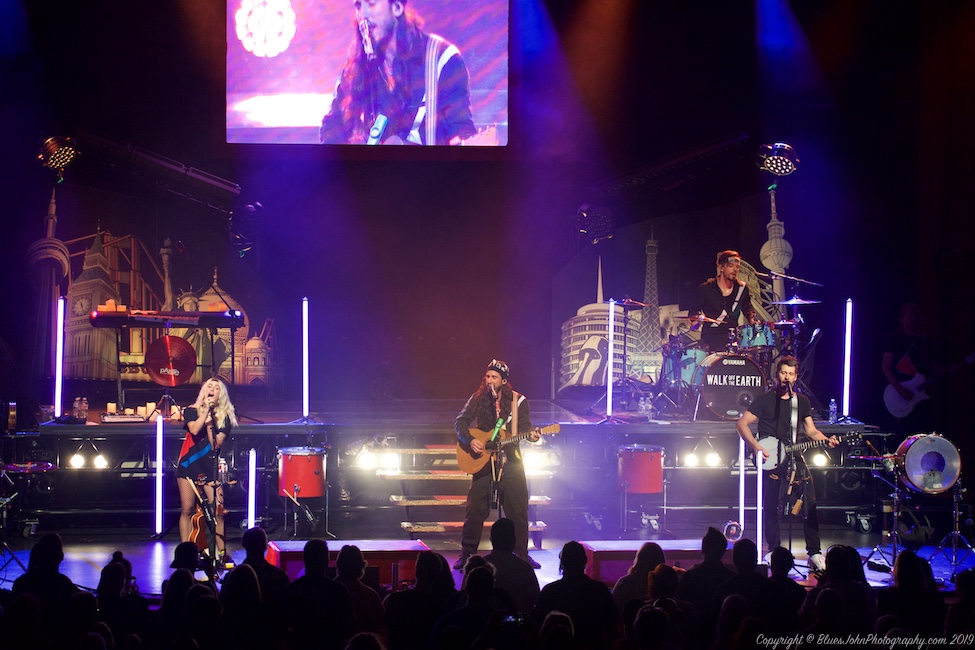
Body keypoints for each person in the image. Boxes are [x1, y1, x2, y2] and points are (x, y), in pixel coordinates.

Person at [319, 0, 476, 145]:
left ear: (397, 7)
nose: (363, 15)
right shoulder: (358, 65)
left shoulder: (442, 59)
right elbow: (332, 125)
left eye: (371, 3)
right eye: (358, 5)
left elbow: (462, 130)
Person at [735, 356, 838, 573]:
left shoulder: (801, 402)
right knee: (772, 505)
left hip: (794, 456)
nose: (786, 378)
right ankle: (773, 549)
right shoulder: (764, 401)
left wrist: (826, 438)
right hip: (772, 459)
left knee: (809, 503)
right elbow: (742, 424)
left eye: (790, 374)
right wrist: (755, 446)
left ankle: (814, 553)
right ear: (776, 375)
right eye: (783, 373)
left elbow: (811, 430)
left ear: (796, 377)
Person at [454, 359, 540, 570]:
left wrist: (534, 435)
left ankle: (521, 554)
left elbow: (526, 428)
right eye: (488, 376)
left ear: (504, 380)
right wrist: (470, 440)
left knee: (519, 509)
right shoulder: (478, 398)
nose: (490, 380)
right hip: (484, 462)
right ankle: (467, 553)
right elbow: (460, 422)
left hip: (511, 461)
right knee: (474, 509)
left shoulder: (518, 402)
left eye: (494, 377)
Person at [175, 377, 238, 566]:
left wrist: (211, 425)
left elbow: (215, 445)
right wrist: (205, 414)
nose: (212, 389)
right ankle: (185, 553)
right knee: (187, 509)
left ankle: (221, 552)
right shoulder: (191, 411)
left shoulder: (225, 417)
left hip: (210, 467)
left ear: (220, 395)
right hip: (188, 464)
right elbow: (194, 430)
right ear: (204, 391)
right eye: (209, 386)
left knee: (217, 511)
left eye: (216, 388)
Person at [693, 250, 757, 353]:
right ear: (721, 267)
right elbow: (694, 310)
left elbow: (747, 308)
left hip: (733, 338)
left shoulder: (742, 288)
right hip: (711, 338)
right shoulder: (706, 289)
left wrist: (753, 319)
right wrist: (695, 320)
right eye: (731, 266)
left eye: (737, 267)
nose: (735, 270)